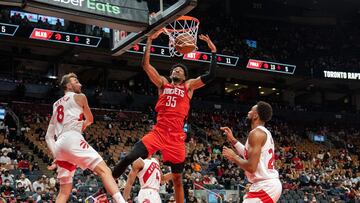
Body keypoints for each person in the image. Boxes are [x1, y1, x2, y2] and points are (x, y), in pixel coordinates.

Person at [98, 32, 217, 203]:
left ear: (184, 76)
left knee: (177, 178)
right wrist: (149, 40)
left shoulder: (188, 86)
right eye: (175, 69)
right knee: (129, 157)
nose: (177, 70)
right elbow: (146, 65)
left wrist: (213, 52)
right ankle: (104, 190)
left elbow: (211, 75)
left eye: (180, 70)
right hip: (159, 132)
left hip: (176, 137)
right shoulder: (163, 83)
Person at [44, 73, 126, 203]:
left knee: (64, 192)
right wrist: (82, 125)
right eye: (76, 81)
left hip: (59, 145)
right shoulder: (80, 97)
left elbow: (48, 137)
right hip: (72, 138)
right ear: (69, 86)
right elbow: (90, 119)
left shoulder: (55, 104)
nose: (80, 84)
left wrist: (56, 156)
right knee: (105, 170)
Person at [221, 101, 282, 203]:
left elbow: (251, 167)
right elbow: (248, 153)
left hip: (265, 186)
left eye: (251, 110)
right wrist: (233, 140)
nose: (248, 112)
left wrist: (234, 157)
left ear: (255, 116)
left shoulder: (256, 133)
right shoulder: (262, 132)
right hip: (266, 184)